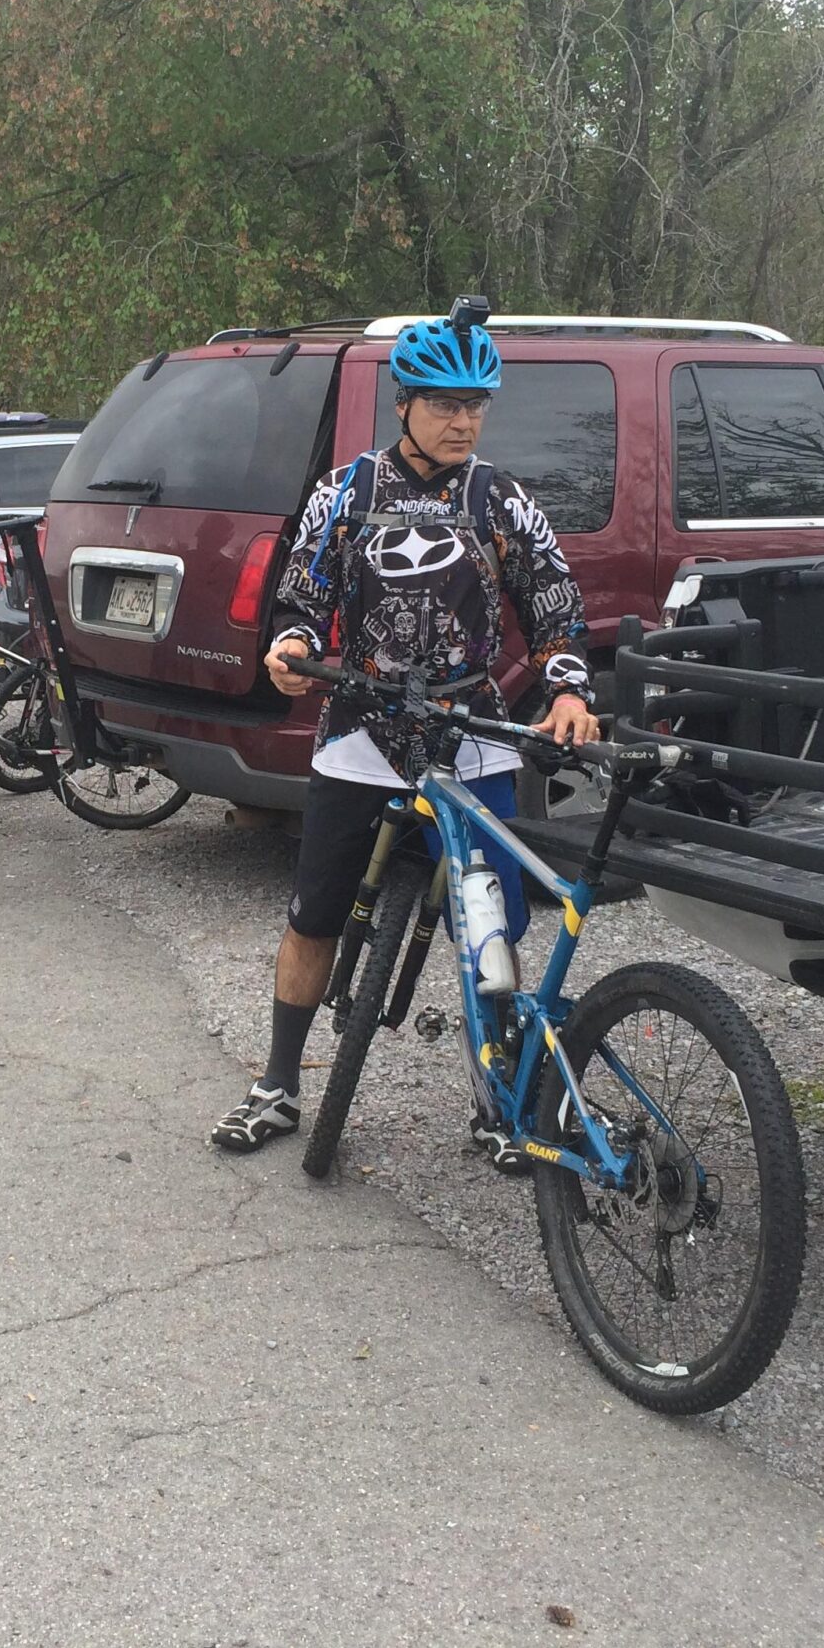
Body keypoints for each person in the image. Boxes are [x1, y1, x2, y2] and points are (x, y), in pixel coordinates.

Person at [209, 310, 599, 1161]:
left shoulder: (501, 498)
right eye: (448, 404)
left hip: (472, 728)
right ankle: (277, 1083)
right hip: (362, 727)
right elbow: (302, 596)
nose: (465, 421)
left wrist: (568, 690)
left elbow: (556, 611)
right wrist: (292, 644)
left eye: (478, 406)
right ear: (406, 403)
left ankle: (499, 1098)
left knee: (488, 923)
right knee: (313, 915)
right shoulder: (344, 493)